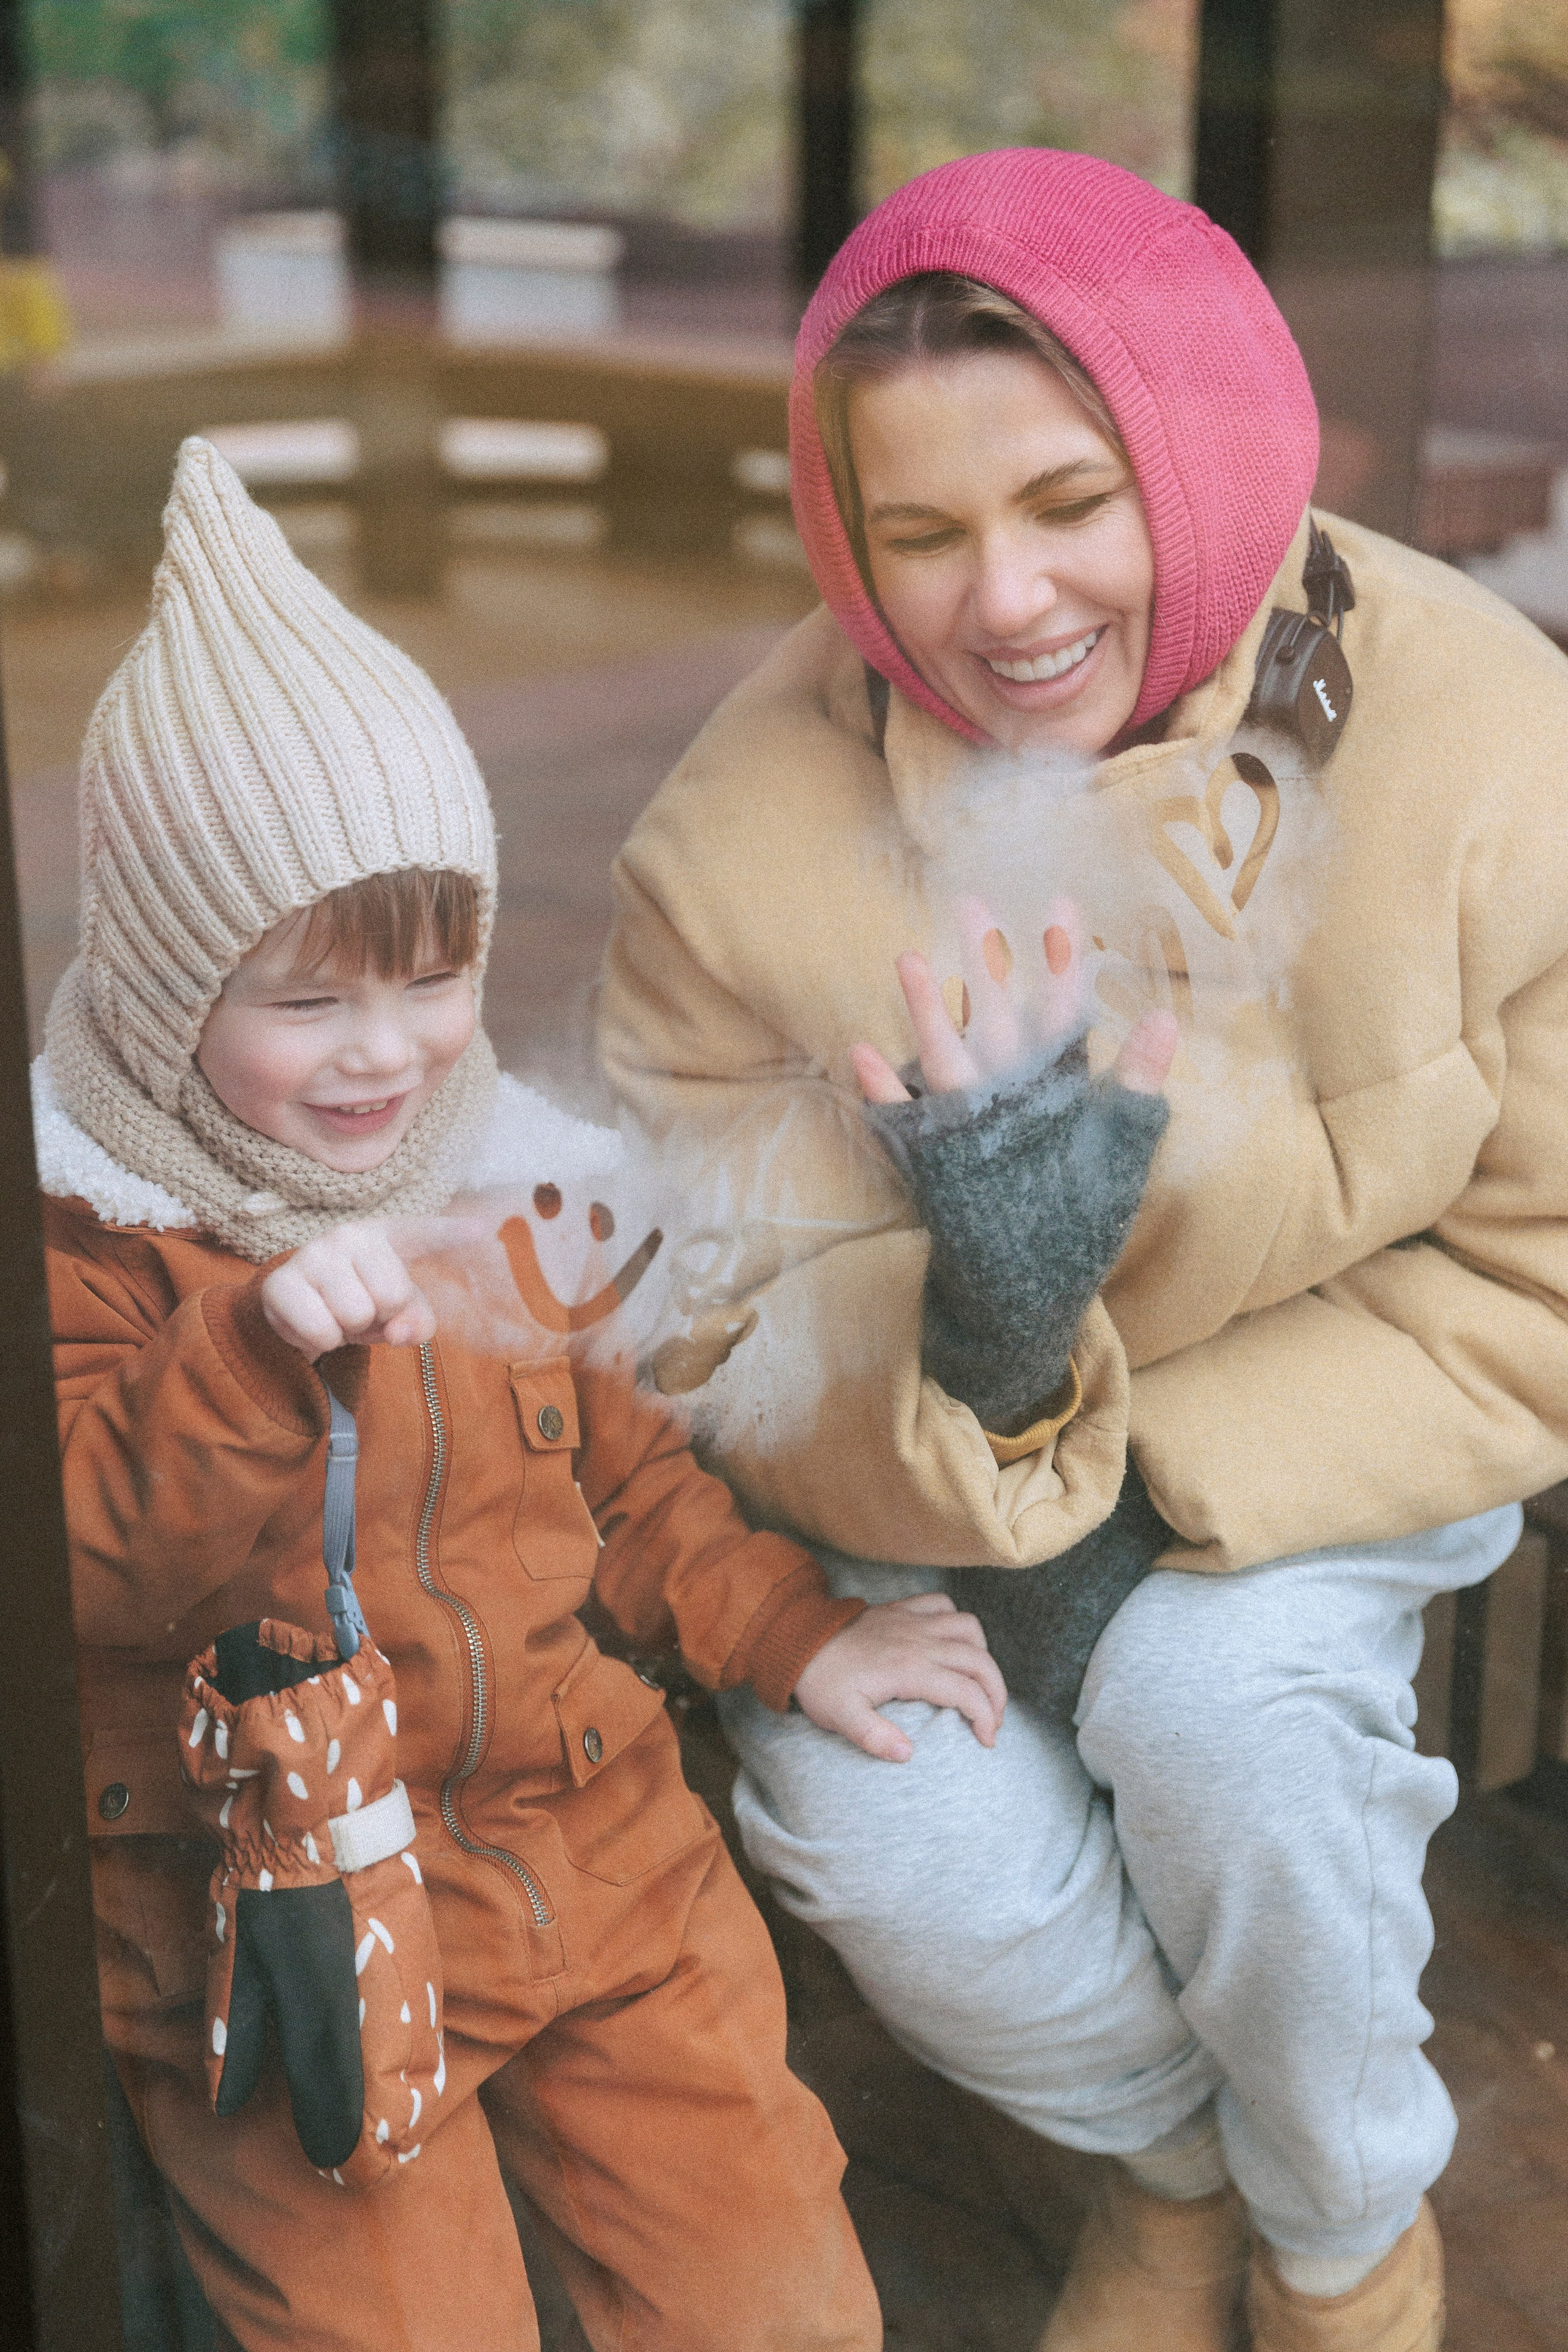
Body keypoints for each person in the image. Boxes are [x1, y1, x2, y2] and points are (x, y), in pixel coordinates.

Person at [598, 148, 1568, 2351]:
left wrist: (1141, 1492)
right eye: (913, 535)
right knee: (889, 1841)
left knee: (1219, 1713)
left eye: (1069, 503)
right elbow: (703, 1329)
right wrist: (993, 1327)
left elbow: (1546, 1274)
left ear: (1204, 457)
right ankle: (1177, 2167)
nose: (1000, 601)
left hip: (1330, 1449)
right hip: (920, 1486)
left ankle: (1342, 2234)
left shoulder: (1499, 742)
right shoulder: (728, 857)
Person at [38, 436, 1007, 2350]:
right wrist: (240, 1358)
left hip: (595, 1853)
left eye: (432, 977)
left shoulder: (519, 1185)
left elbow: (633, 1490)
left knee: (777, 2300)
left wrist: (793, 1630)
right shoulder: (97, 1245)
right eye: (304, 1001)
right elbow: (83, 1559)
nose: (384, 1055)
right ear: (161, 1000)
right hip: (284, 1911)